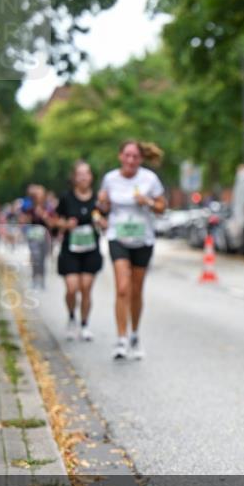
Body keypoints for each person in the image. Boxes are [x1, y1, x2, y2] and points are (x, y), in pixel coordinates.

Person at [97, 140, 167, 360]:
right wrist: (102, 207)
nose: (130, 160)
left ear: (141, 159)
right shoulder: (110, 179)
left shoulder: (149, 179)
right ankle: (121, 338)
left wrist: (146, 201)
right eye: (127, 155)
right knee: (122, 288)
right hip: (118, 237)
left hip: (143, 239)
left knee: (136, 291)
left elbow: (162, 208)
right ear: (120, 156)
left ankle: (135, 334)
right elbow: (102, 209)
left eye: (135, 156)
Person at [55, 161, 105, 341]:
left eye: (87, 173)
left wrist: (101, 223)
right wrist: (66, 224)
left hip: (91, 249)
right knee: (71, 288)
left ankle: (84, 324)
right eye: (80, 174)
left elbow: (107, 221)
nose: (83, 177)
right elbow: (55, 221)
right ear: (74, 178)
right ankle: (71, 317)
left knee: (86, 288)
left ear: (91, 177)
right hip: (70, 249)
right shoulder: (66, 198)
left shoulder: (98, 199)